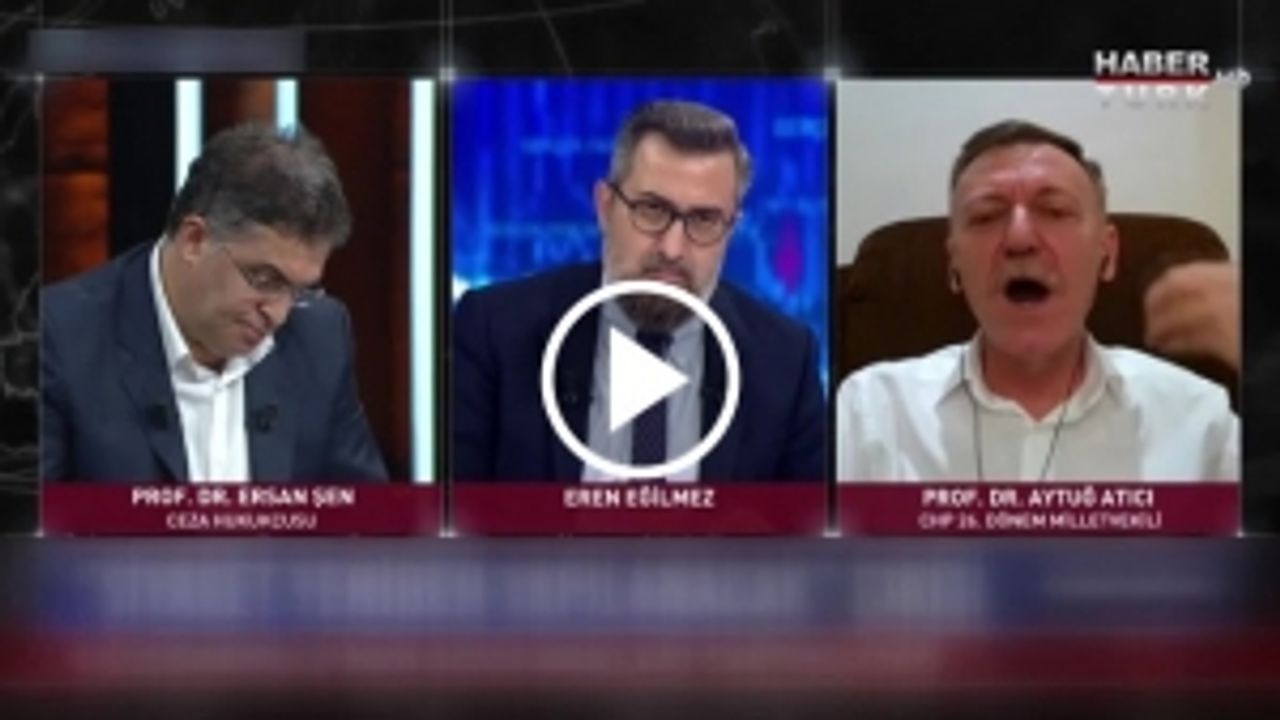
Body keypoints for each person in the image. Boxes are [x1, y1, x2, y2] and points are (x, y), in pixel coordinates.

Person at [836, 119, 1238, 482]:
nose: (1020, 238)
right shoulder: (871, 412)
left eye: (1055, 211)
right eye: (986, 216)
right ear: (953, 262)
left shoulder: (1200, 420)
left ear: (1107, 252)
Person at [453, 100, 824, 482]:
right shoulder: (494, 331)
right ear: (605, 207)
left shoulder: (785, 361)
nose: (673, 249)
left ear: (731, 229)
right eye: (652, 210)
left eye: (704, 219)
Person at [42, 122, 387, 483]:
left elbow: (363, 509)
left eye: (299, 291)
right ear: (195, 240)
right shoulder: (58, 340)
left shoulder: (320, 336)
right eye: (266, 279)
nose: (279, 314)